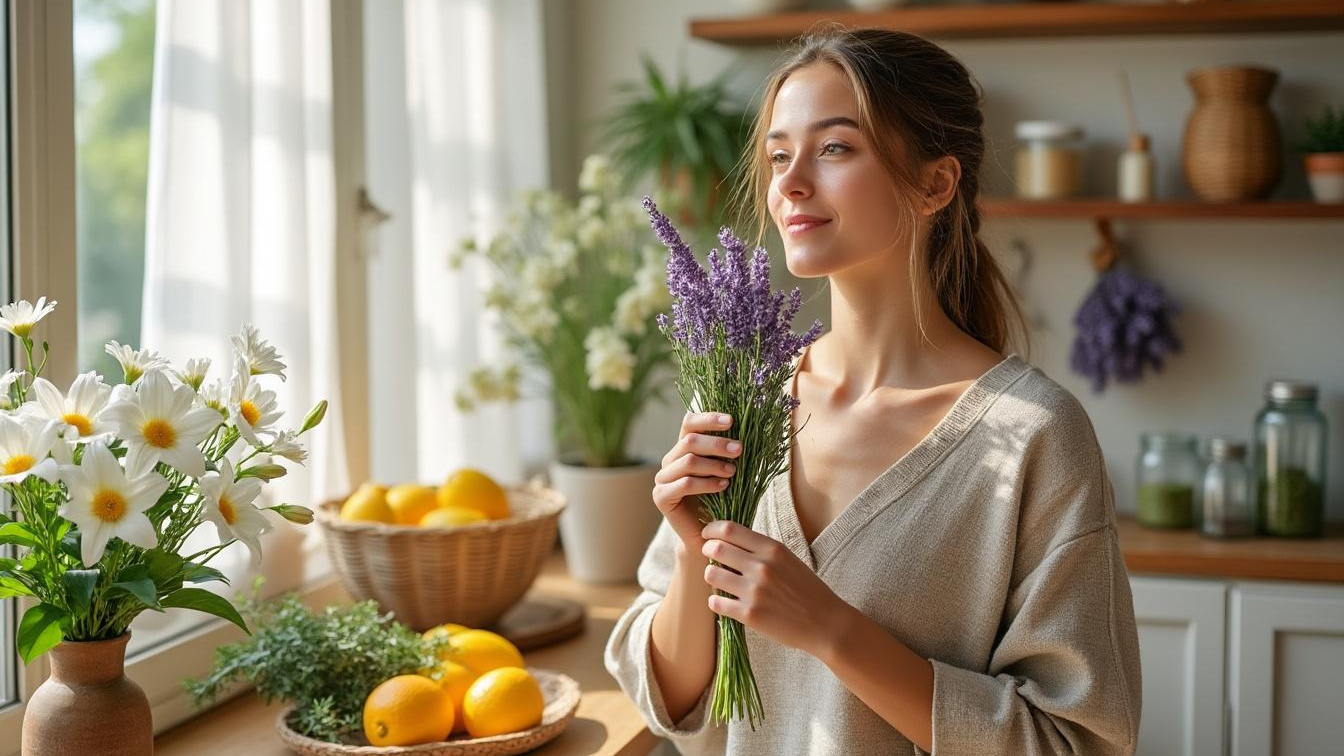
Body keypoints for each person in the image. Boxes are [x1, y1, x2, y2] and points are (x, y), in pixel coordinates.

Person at [603, 27, 1142, 756]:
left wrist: (830, 629)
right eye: (779, 155)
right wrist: (694, 543)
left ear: (935, 184)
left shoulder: (1037, 436)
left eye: (834, 149)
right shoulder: (743, 395)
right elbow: (669, 699)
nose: (791, 183)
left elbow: (1074, 742)